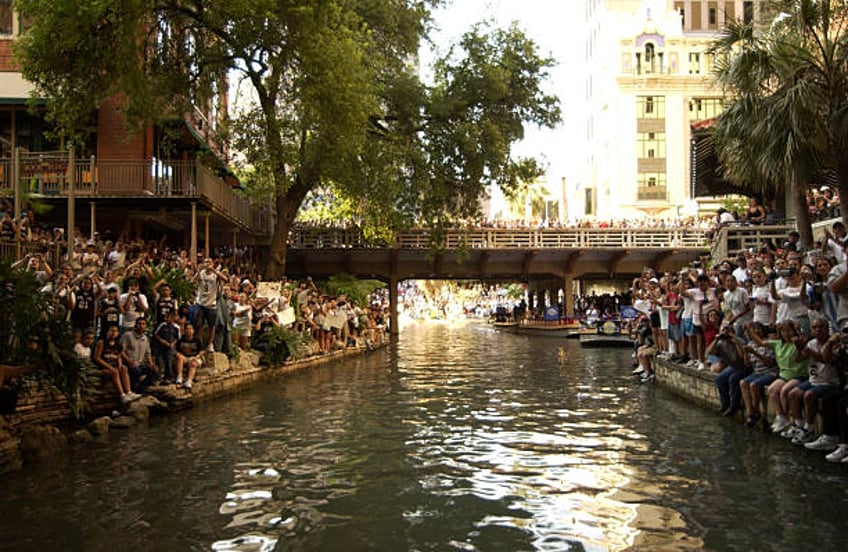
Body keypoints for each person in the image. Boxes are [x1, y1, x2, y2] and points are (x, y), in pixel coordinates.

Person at [785, 319, 841, 444]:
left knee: (809, 395)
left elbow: (824, 358)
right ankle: (798, 426)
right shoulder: (811, 343)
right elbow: (799, 359)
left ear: (827, 328)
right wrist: (799, 348)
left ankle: (809, 429)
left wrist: (805, 348)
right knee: (792, 393)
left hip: (828, 382)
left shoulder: (832, 343)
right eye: (815, 327)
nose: (818, 330)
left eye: (821, 327)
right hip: (813, 380)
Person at [707, 321, 749, 416]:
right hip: (734, 367)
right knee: (720, 378)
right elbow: (709, 351)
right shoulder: (721, 343)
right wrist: (716, 339)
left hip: (744, 366)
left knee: (733, 379)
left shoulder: (740, 341)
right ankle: (725, 403)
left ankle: (734, 404)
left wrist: (736, 342)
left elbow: (743, 357)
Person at [739, 322, 777, 427]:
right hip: (757, 372)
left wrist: (755, 353)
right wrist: (746, 354)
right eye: (754, 329)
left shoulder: (768, 343)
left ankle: (754, 411)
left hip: (769, 372)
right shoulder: (751, 344)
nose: (756, 331)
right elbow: (747, 365)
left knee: (753, 385)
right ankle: (750, 412)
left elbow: (770, 363)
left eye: (758, 329)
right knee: (743, 382)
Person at [93, 324, 140, 404]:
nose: (113, 333)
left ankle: (129, 392)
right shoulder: (101, 343)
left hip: (113, 367)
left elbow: (119, 357)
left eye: (115, 331)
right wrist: (109, 367)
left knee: (124, 368)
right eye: (111, 331)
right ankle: (122, 395)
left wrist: (120, 365)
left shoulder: (118, 345)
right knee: (114, 371)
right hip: (103, 368)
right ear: (107, 332)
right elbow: (97, 358)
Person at [192, 257, 228, 352]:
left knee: (212, 326)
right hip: (201, 302)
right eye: (206, 262)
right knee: (199, 325)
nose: (208, 264)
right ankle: (199, 344)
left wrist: (214, 271)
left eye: (209, 262)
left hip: (211, 303)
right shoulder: (201, 273)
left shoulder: (215, 274)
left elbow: (225, 279)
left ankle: (210, 344)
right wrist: (198, 271)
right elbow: (193, 281)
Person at [121, 318, 157, 392]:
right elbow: (120, 351)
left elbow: (148, 352)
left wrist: (151, 364)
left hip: (139, 364)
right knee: (135, 371)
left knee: (154, 371)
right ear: (135, 325)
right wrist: (129, 361)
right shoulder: (127, 335)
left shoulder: (145, 338)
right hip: (128, 363)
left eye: (143, 324)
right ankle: (132, 389)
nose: (141, 326)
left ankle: (141, 389)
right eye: (139, 324)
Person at [175, 323, 204, 390]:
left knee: (193, 363)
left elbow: (202, 351)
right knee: (180, 358)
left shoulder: (197, 339)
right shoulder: (181, 339)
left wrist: (197, 356)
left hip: (195, 357)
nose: (188, 331)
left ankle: (189, 381)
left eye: (190, 329)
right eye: (187, 329)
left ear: (193, 330)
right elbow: (176, 350)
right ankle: (179, 377)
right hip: (184, 358)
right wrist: (178, 354)